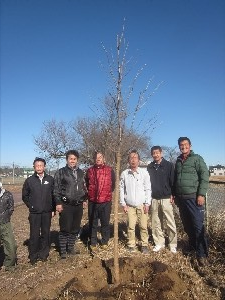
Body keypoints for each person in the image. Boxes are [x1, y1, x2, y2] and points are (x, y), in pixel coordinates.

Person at [173, 137, 209, 266]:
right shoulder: (178, 161)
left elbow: (205, 176)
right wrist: (175, 195)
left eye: (186, 144)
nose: (183, 147)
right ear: (179, 147)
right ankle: (193, 247)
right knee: (187, 226)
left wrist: (201, 194)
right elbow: (175, 179)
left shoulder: (197, 159)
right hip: (182, 199)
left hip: (194, 198)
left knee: (198, 226)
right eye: (181, 145)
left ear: (190, 145)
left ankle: (202, 254)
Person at [54, 150, 87, 259]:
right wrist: (58, 202)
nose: (72, 161)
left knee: (75, 228)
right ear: (67, 160)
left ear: (77, 160)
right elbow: (56, 189)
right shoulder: (61, 172)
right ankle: (63, 251)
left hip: (78, 204)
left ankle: (71, 248)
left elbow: (84, 187)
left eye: (74, 159)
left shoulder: (81, 172)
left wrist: (84, 199)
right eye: (70, 159)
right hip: (66, 204)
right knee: (65, 228)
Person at [22, 158, 55, 265]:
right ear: (34, 167)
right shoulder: (29, 181)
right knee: (34, 234)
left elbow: (54, 195)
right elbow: (24, 196)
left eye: (41, 165)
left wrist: (53, 209)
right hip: (34, 213)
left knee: (46, 233)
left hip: (47, 212)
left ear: (44, 167)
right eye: (37, 166)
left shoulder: (50, 179)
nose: (39, 167)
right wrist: (31, 206)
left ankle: (43, 254)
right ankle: (33, 255)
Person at [120, 150, 151, 254]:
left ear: (139, 160)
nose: (133, 160)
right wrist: (123, 203)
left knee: (143, 226)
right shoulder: (124, 173)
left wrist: (147, 203)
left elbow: (148, 189)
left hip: (142, 205)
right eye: (131, 158)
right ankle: (131, 244)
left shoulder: (144, 173)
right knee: (130, 226)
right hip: (130, 206)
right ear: (128, 160)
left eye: (135, 158)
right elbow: (121, 189)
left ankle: (144, 245)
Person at [147, 146, 177, 253]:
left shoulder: (169, 165)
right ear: (152, 155)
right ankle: (159, 243)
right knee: (156, 222)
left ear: (161, 153)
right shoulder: (149, 167)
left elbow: (173, 181)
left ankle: (173, 244)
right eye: (153, 153)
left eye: (157, 153)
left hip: (166, 198)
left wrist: (173, 194)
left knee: (170, 221)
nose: (155, 155)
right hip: (154, 198)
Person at [86, 151, 115, 251]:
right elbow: (86, 183)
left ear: (104, 159)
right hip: (93, 201)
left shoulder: (110, 170)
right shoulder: (90, 171)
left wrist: (106, 193)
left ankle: (104, 241)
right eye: (96, 157)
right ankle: (93, 242)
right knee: (93, 222)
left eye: (100, 157)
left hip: (106, 201)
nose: (98, 159)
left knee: (105, 222)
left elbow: (113, 184)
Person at [0, 182, 17, 271]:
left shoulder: (7, 194)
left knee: (11, 246)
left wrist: (5, 217)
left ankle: (9, 265)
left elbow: (11, 208)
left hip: (5, 224)